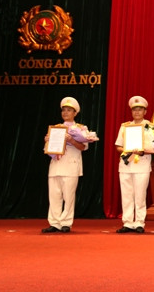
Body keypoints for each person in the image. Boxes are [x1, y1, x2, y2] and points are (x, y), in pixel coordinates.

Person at [42, 97, 93, 233]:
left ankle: (66, 223)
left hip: (71, 165)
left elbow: (83, 147)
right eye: (63, 110)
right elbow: (48, 149)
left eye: (69, 110)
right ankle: (54, 223)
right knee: (54, 195)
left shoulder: (81, 128)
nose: (65, 112)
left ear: (75, 113)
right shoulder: (56, 128)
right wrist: (47, 140)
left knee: (69, 196)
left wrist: (72, 140)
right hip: (56, 165)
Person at [114, 96, 154, 234]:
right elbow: (118, 146)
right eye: (134, 110)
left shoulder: (152, 127)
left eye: (140, 109)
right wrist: (127, 150)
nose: (137, 112)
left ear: (145, 111)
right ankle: (128, 222)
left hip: (142, 164)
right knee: (126, 195)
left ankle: (140, 222)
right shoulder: (125, 126)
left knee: (140, 195)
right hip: (126, 164)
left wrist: (144, 150)